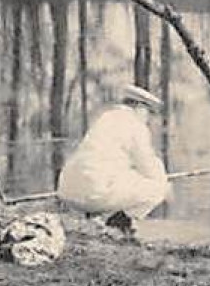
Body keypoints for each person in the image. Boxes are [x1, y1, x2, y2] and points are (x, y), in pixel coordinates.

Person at [57, 85, 169, 235]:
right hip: (92, 194)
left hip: (67, 190)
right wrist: (165, 182)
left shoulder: (106, 117)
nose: (148, 118)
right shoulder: (136, 126)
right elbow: (148, 165)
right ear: (139, 107)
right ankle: (117, 224)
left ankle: (98, 218)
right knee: (158, 188)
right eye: (148, 112)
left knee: (118, 175)